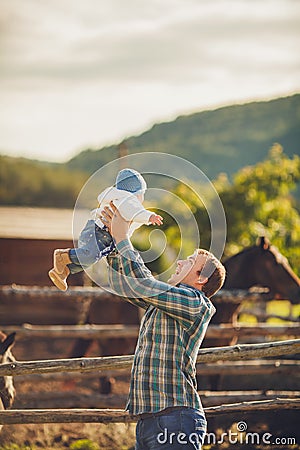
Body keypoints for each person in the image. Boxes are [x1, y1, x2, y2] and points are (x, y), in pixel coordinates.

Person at [101, 202, 226, 450]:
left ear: (201, 278)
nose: (180, 262)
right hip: (152, 420)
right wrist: (112, 240)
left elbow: (144, 285)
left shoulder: (195, 303)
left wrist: (123, 237)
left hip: (176, 419)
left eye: (190, 261)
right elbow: (130, 283)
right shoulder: (163, 302)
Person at [48, 168, 163, 291]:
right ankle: (62, 255)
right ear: (137, 193)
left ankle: (63, 271)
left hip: (100, 234)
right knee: (90, 256)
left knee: (90, 259)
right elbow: (134, 211)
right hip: (99, 232)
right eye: (142, 194)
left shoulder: (118, 199)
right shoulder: (127, 199)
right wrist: (149, 216)